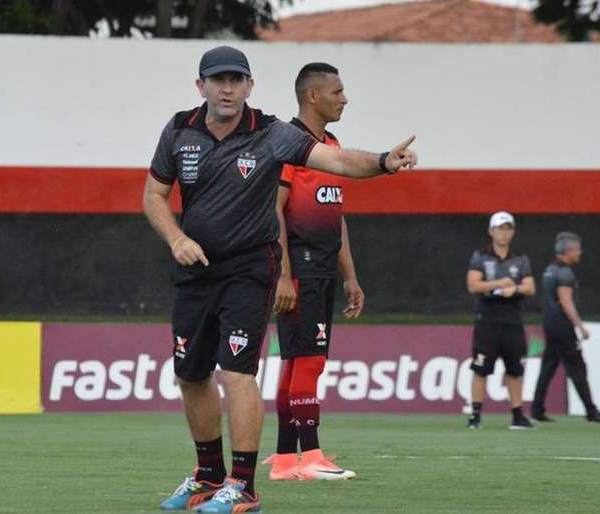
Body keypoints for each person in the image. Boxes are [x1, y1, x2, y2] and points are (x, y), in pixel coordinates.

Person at [144, 46, 417, 513]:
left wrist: (382, 161)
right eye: (217, 80)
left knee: (236, 372)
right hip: (194, 270)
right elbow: (154, 194)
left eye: (236, 80)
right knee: (190, 374)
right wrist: (174, 239)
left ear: (250, 86)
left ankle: (244, 485)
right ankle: (208, 476)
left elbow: (338, 162)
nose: (227, 88)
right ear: (201, 86)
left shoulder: (271, 134)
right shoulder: (178, 130)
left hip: (250, 268)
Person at [262, 63, 362, 482]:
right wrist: (283, 274)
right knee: (309, 362)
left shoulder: (332, 144)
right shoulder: (289, 144)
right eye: (337, 91)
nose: (344, 98)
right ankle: (313, 455)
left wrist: (351, 277)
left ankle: (286, 457)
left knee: (295, 362)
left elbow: (336, 217)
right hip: (299, 271)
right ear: (312, 97)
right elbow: (274, 212)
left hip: (323, 271)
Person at [531, 232, 600, 423]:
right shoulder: (565, 273)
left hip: (549, 324)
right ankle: (591, 411)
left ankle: (537, 409)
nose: (580, 253)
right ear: (568, 251)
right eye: (577, 249)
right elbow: (566, 301)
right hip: (562, 327)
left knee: (548, 367)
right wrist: (580, 326)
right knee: (577, 367)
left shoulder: (550, 269)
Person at [466, 211, 536, 430]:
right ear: (491, 231)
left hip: (512, 319)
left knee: (515, 369)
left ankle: (518, 415)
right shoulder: (480, 256)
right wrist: (499, 283)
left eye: (508, 229)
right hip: (486, 319)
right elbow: (473, 285)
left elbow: (530, 287)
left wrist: (513, 289)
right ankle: (475, 415)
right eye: (500, 229)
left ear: (512, 232)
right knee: (480, 368)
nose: (504, 234)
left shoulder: (520, 258)